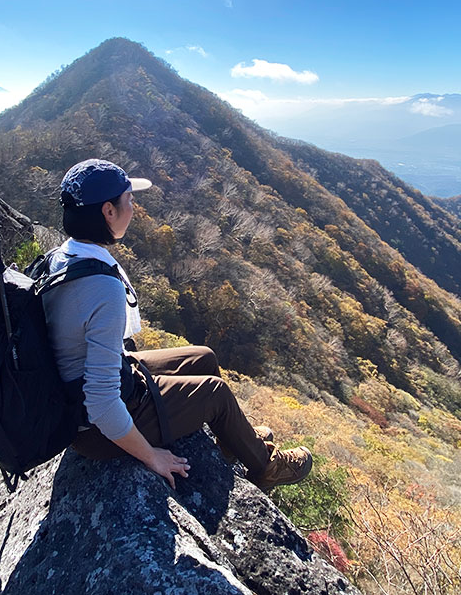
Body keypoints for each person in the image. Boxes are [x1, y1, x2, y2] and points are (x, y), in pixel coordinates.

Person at [43, 158, 313, 490]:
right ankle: (267, 467)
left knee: (204, 357)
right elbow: (101, 402)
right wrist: (150, 456)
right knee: (216, 393)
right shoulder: (101, 288)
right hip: (94, 429)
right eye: (128, 200)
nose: (134, 207)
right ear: (108, 213)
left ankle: (235, 439)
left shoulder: (61, 257)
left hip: (84, 384)